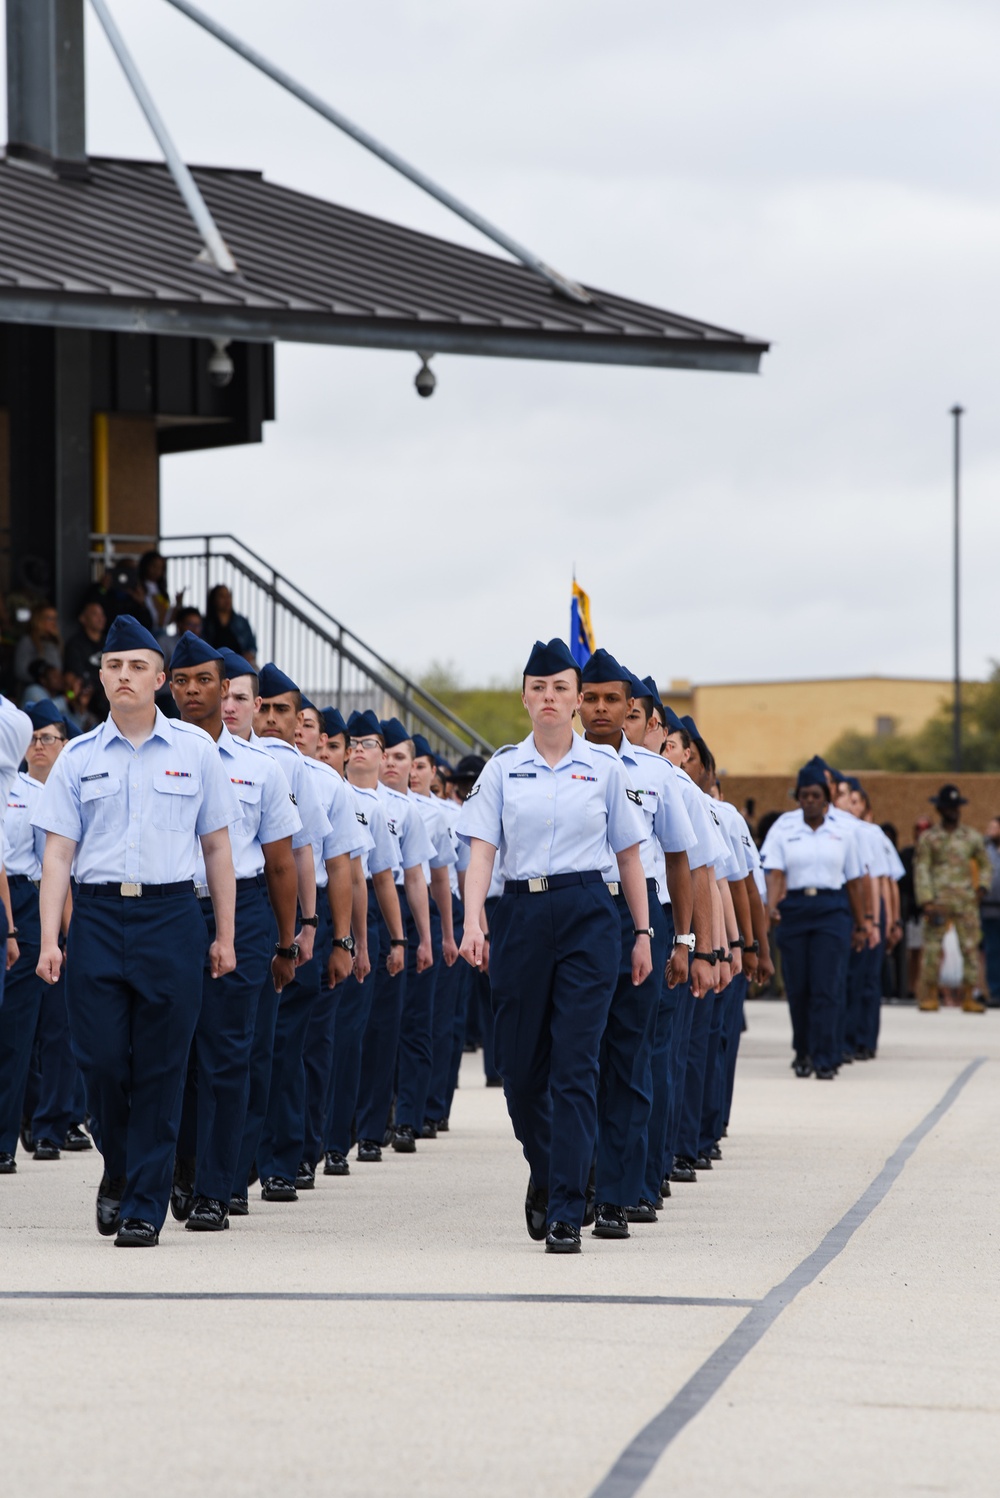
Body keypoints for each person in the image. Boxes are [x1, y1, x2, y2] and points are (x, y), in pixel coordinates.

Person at [32, 614, 239, 1247]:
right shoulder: (78, 759)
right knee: (98, 1061)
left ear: (160, 681)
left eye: (138, 667)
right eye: (114, 666)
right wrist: (48, 939)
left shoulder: (196, 751)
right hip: (96, 918)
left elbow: (218, 848)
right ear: (100, 677)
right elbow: (59, 854)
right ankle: (119, 1169)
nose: (125, 676)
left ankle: (145, 1202)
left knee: (162, 1066)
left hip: (172, 916)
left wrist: (224, 935)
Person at [457, 637, 649, 1255]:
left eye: (560, 688)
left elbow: (629, 855)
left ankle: (567, 1205)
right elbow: (482, 849)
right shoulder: (502, 767)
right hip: (521, 913)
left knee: (575, 1062)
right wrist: (472, 922)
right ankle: (551, 1169)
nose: (549, 697)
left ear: (575, 700)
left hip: (590, 912)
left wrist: (643, 933)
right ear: (524, 697)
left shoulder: (605, 769)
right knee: (517, 1069)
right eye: (538, 688)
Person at [168, 634, 301, 1232]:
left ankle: (215, 1189)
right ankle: (180, 1166)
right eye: (183, 681)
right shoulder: (150, 754)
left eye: (205, 682)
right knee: (169, 1052)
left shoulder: (259, 769)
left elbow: (279, 862)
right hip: (168, 910)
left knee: (226, 1054)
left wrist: (285, 940)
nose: (194, 692)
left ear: (226, 692)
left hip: (242, 911)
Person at [577, 650, 697, 1237]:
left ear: (633, 710)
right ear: (577, 703)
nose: (602, 709)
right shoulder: (552, 767)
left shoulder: (659, 776)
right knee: (575, 1056)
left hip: (641, 917)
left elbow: (679, 861)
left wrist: (685, 942)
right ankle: (576, 1179)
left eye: (612, 700)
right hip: (574, 913)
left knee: (629, 1055)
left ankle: (620, 1193)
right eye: (591, 697)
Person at [760, 763, 866, 1079]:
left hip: (832, 908)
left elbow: (855, 881)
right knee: (799, 986)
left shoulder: (844, 829)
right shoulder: (784, 827)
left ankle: (826, 1055)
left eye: (815, 795)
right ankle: (803, 1051)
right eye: (803, 795)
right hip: (795, 909)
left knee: (827, 985)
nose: (809, 801)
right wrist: (769, 914)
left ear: (826, 797)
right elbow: (775, 874)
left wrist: (862, 924)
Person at [0, 702, 71, 1173]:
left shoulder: (31, 794)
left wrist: (61, 936)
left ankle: (5, 1141)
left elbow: (52, 870)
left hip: (22, 907)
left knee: (17, 1033)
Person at [381, 718, 457, 1142]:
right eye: (388, 755)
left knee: (416, 1022)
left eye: (402, 758)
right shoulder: (362, 801)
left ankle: (409, 1116)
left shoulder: (431, 812)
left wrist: (444, 934)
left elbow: (440, 878)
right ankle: (379, 1114)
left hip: (416, 912)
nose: (397, 765)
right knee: (382, 1023)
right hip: (375, 907)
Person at [913, 785, 991, 1014]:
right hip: (938, 901)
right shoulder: (929, 838)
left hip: (966, 900)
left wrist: (983, 887)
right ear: (939, 809)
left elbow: (986, 864)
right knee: (932, 949)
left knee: (969, 947)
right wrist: (926, 899)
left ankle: (969, 994)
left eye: (956, 807)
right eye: (948, 807)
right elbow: (922, 868)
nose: (953, 811)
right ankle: (929, 994)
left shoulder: (971, 837)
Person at [203, 584, 258, 664]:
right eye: (222, 596)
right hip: (214, 664)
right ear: (214, 599)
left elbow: (252, 647)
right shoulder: (206, 623)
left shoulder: (242, 622)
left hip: (240, 663)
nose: (226, 599)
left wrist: (249, 655)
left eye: (228, 596)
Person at [14, 603, 62, 688]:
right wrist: (43, 679)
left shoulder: (55, 643)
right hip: (33, 691)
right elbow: (20, 672)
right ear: (38, 620)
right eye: (50, 618)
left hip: (53, 694)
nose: (54, 623)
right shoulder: (27, 641)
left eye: (55, 619)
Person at [137, 550, 183, 633]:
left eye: (160, 568)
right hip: (144, 631)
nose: (157, 571)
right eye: (154, 566)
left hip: (160, 632)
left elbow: (166, 620)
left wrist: (178, 604)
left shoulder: (161, 591)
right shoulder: (138, 587)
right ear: (145, 566)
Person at [981, 817, 1000, 1007]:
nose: (990, 830)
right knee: (992, 951)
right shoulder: (985, 850)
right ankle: (995, 992)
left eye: (994, 827)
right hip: (989, 909)